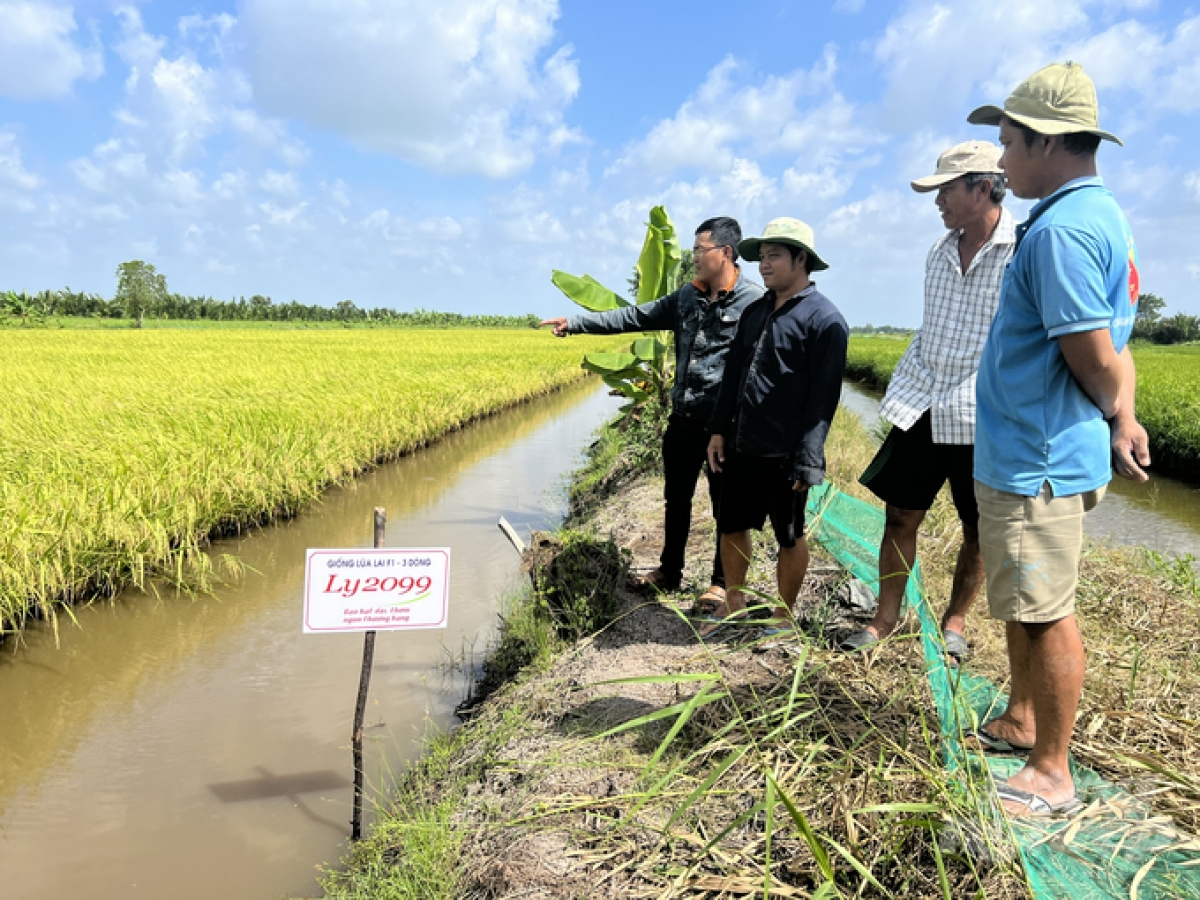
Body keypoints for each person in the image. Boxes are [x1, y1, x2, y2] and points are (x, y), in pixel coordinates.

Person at [967, 61, 1151, 816]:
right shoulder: (1095, 217)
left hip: (1037, 456)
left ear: (1046, 142)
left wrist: (1119, 410)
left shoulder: (1063, 234)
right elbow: (1118, 347)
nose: (1002, 163)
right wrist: (1125, 413)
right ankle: (1021, 718)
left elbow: (1095, 355)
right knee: (1024, 600)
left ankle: (1052, 770)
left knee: (1046, 611)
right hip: (1032, 449)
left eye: (1008, 143)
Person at [840, 142, 1015, 660]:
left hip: (983, 413)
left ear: (982, 187)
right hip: (924, 402)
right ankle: (885, 618)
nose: (937, 201)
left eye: (945, 189)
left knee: (978, 528)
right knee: (899, 516)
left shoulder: (1022, 250)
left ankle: (955, 622)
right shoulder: (939, 252)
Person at [541, 218, 763, 611]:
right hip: (683, 418)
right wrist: (575, 323)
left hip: (724, 426)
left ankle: (719, 583)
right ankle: (670, 570)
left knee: (723, 505)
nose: (692, 257)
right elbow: (631, 317)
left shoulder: (753, 302)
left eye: (700, 250)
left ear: (726, 253)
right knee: (675, 497)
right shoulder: (685, 299)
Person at [704, 218, 848, 636]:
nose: (764, 266)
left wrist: (808, 459)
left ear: (801, 260)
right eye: (762, 257)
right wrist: (718, 430)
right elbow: (732, 377)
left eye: (774, 256)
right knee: (731, 524)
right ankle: (734, 601)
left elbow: (823, 400)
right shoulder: (755, 311)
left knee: (789, 535)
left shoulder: (825, 321)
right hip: (740, 443)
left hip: (783, 452)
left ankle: (783, 616)